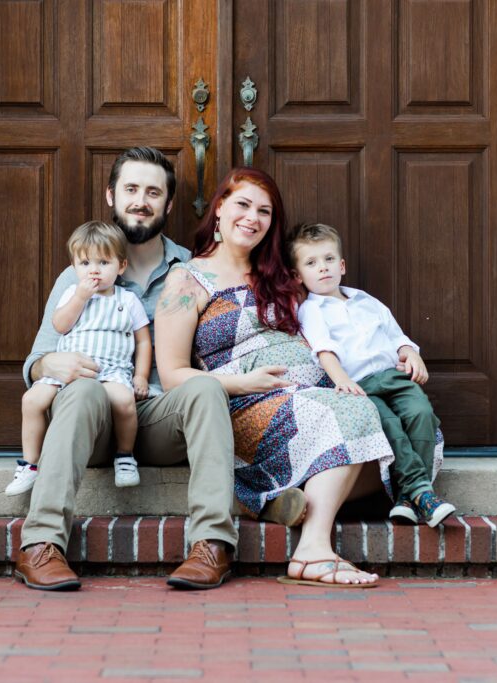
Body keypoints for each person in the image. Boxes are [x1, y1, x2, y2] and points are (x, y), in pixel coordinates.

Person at [13, 147, 304, 592]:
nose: (141, 201)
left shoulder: (193, 269)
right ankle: (41, 544)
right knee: (82, 391)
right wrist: (51, 362)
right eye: (131, 189)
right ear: (112, 196)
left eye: (153, 192)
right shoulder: (81, 273)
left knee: (205, 388)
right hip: (89, 415)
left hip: (157, 416)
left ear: (168, 204)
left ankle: (211, 544)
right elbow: (36, 362)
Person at [155, 168, 396, 588]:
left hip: (314, 396)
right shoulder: (187, 279)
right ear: (219, 210)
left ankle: (276, 496)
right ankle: (313, 551)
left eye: (264, 211)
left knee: (401, 439)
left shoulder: (282, 276)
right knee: (356, 419)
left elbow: (335, 320)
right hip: (244, 405)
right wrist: (243, 384)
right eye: (243, 205)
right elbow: (174, 375)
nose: (253, 217)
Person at [288, 223, 455, 527]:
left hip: (394, 377)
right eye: (311, 263)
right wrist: (341, 380)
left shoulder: (366, 300)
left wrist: (412, 353)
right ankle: (422, 492)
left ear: (342, 266)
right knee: (389, 426)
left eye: (328, 260)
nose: (322, 268)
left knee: (421, 414)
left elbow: (396, 335)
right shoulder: (312, 310)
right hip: (360, 385)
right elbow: (324, 350)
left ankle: (408, 498)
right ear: (299, 276)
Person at [7, 221, 152, 497]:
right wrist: (79, 298)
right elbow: (60, 325)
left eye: (103, 262)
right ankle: (30, 464)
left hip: (111, 371)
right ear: (74, 267)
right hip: (68, 371)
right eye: (85, 263)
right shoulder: (71, 294)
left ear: (121, 266)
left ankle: (124, 456)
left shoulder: (128, 300)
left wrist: (141, 376)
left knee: (124, 402)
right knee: (31, 400)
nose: (94, 269)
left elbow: (143, 341)